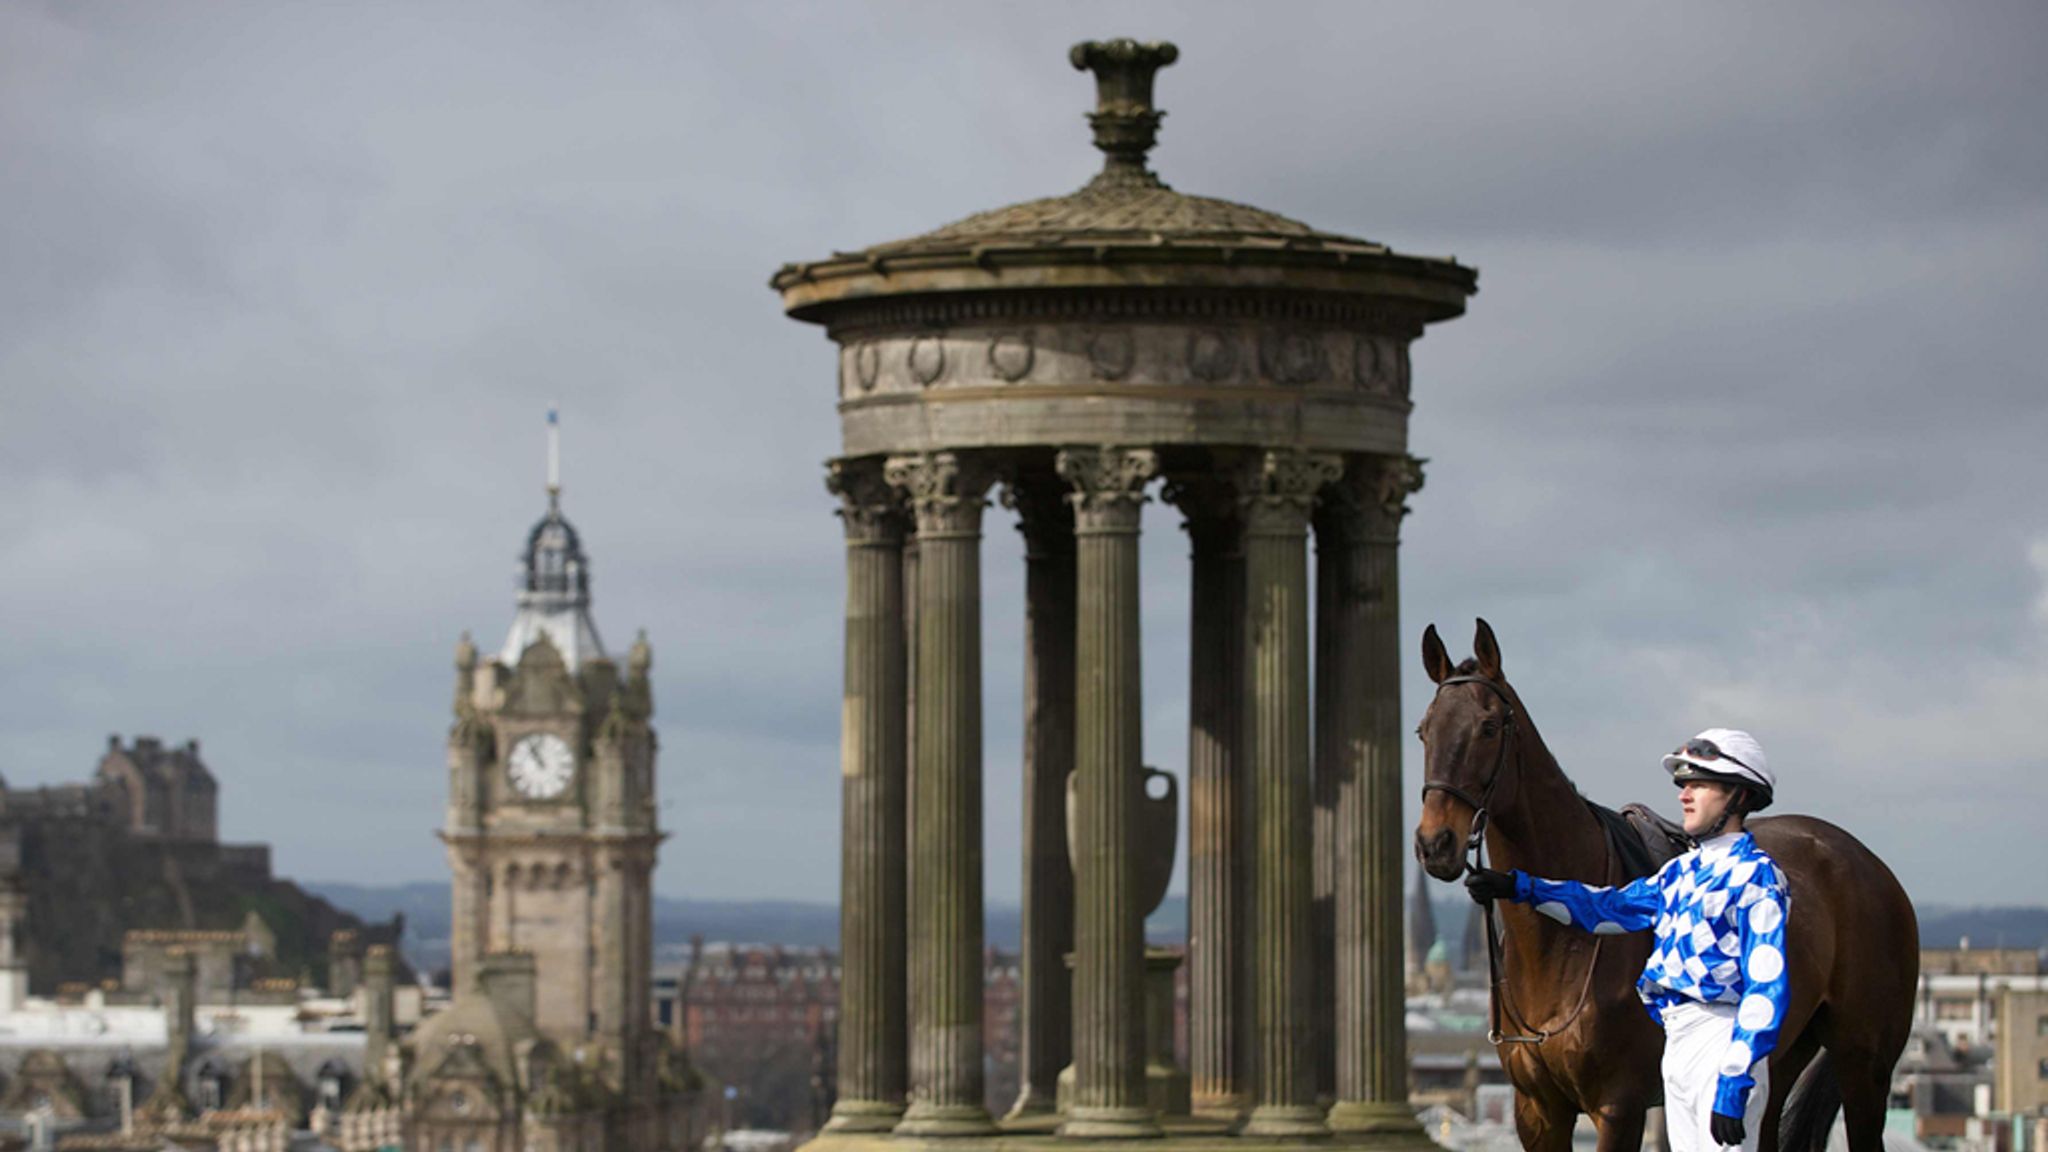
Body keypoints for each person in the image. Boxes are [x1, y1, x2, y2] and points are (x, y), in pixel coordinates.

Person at [1465, 728, 1788, 1152]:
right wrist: (1521, 887)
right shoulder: (1681, 873)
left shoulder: (1759, 877)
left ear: (1740, 796)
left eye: (1700, 784)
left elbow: (1767, 985)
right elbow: (1607, 908)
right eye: (1683, 784)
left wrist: (1737, 1071)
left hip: (1722, 1040)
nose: (1685, 795)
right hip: (1677, 1041)